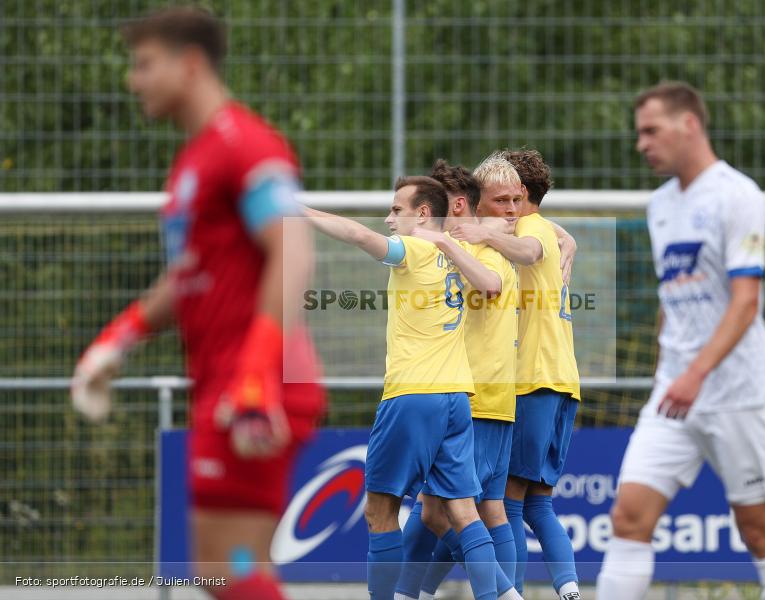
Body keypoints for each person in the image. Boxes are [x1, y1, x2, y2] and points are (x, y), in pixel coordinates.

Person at [70, 7, 325, 600]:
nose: (134, 80)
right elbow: (189, 278)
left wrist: (258, 374)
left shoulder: (245, 145)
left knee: (227, 570)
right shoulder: (196, 158)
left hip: (254, 389)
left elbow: (295, 251)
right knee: (233, 569)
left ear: (189, 65)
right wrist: (120, 336)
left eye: (144, 64)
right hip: (233, 385)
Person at [595, 81, 765, 600]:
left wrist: (696, 373)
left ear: (689, 124)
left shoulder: (738, 195)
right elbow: (676, 295)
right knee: (627, 516)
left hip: (738, 392)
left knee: (760, 531)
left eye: (651, 130)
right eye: (638, 133)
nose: (642, 143)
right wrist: (671, 367)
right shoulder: (660, 205)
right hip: (674, 393)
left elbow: (745, 302)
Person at [304, 176, 506, 600]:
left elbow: (359, 235)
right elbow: (492, 282)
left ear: (423, 214)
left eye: (397, 210)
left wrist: (298, 212)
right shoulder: (460, 252)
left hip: (413, 395)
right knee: (464, 512)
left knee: (380, 511)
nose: (389, 218)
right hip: (456, 399)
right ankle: (501, 596)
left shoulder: (413, 248)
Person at [453, 149, 582, 600]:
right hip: (563, 380)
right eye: (498, 201)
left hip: (530, 379)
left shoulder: (530, 231)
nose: (507, 210)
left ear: (523, 195)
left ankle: (513, 593)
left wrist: (474, 233)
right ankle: (568, 589)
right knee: (538, 503)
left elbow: (528, 248)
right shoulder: (545, 227)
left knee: (502, 503)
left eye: (513, 199)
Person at [395, 158, 522, 600]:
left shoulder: (476, 256)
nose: (426, 220)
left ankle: (505, 594)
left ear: (460, 206)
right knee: (447, 510)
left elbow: (488, 285)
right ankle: (413, 594)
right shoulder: (483, 248)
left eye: (436, 210)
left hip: (474, 398)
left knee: (458, 512)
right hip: (487, 398)